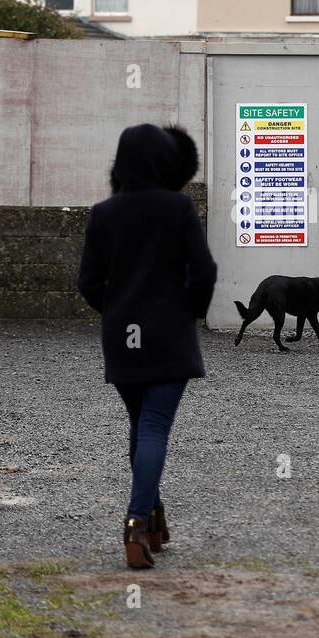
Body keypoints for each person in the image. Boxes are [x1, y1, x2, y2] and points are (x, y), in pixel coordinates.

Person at [77, 123, 217, 569]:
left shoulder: (103, 213)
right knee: (154, 426)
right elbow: (205, 270)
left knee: (140, 425)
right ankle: (137, 521)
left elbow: (88, 283)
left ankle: (153, 519)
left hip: (122, 336)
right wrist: (189, 310)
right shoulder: (176, 207)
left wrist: (115, 308)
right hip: (168, 335)